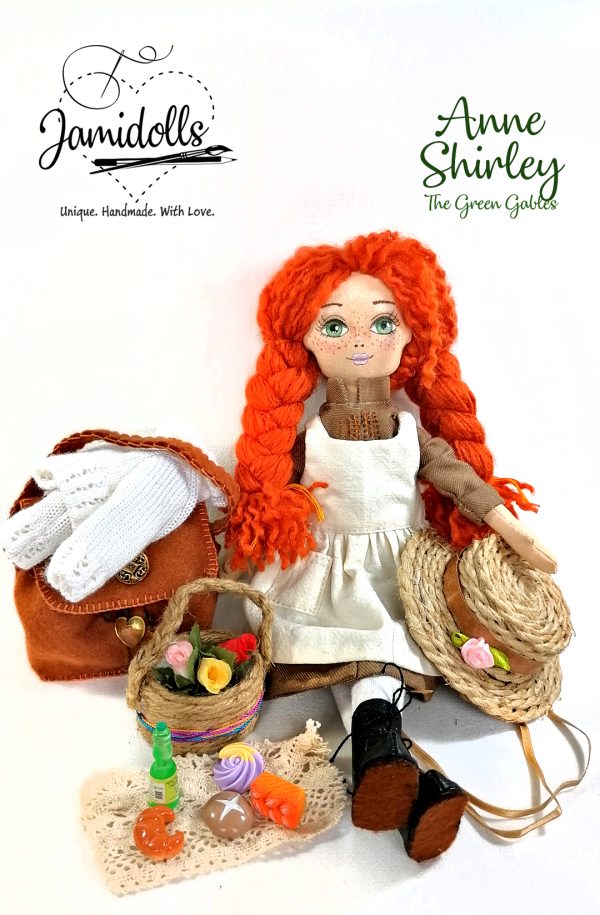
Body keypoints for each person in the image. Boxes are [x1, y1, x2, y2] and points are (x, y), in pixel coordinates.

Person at [225, 229, 555, 860]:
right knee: (368, 653)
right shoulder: (308, 435)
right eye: (334, 326)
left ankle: (383, 757)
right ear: (305, 340)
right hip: (327, 566)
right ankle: (402, 769)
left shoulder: (410, 432)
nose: (359, 341)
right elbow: (266, 493)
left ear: (411, 337)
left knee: (370, 648)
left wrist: (509, 526)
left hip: (402, 574)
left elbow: (458, 478)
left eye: (383, 323)